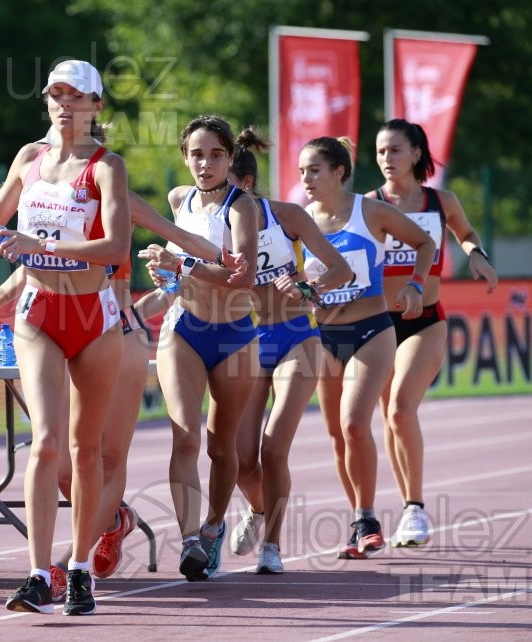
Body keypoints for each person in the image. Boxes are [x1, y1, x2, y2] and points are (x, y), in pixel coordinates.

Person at [0, 191, 246, 604]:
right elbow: (33, 267)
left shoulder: (117, 193)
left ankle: (61, 568)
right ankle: (114, 520)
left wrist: (229, 259)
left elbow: (177, 236)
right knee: (59, 465)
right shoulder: (45, 192)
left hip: (116, 333)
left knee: (104, 458)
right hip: (56, 327)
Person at [0, 59, 130, 616]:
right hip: (38, 312)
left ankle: (80, 568)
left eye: (76, 96)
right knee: (46, 442)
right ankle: (38, 574)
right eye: (55, 95)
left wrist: (46, 247)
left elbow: (115, 250)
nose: (64, 105)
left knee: (86, 452)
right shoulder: (29, 158)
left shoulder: (108, 168)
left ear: (95, 107)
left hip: (94, 316)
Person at [294, 136, 435, 560]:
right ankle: (360, 521)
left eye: (314, 170)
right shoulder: (300, 220)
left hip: (372, 331)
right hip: (325, 337)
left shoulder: (369, 211)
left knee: (355, 423)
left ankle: (370, 519)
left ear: (339, 171)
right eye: (301, 171)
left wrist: (414, 284)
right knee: (338, 437)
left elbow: (424, 243)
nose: (306, 179)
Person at [367, 119, 498, 548]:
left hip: (426, 319)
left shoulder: (441, 201)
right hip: (378, 322)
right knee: (389, 418)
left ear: (417, 154)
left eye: (395, 151)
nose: (387, 159)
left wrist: (475, 254)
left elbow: (465, 232)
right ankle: (407, 506)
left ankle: (415, 509)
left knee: (402, 408)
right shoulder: (369, 204)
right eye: (381, 151)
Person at [139, 114, 260, 582]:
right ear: (184, 158)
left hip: (233, 335)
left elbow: (243, 277)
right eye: (196, 154)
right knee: (185, 434)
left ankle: (212, 528)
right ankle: (190, 541)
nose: (205, 164)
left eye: (215, 155)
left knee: (221, 447)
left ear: (229, 159)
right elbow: (176, 272)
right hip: (184, 328)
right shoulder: (177, 199)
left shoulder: (241, 207)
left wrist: (182, 263)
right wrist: (165, 274)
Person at [225, 130, 351, 574]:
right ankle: (258, 511)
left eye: (224, 187)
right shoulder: (209, 222)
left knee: (273, 448)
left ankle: (272, 546)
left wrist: (308, 286)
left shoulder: (288, 217)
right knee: (241, 460)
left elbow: (341, 268)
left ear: (242, 183)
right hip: (244, 340)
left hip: (297, 335)